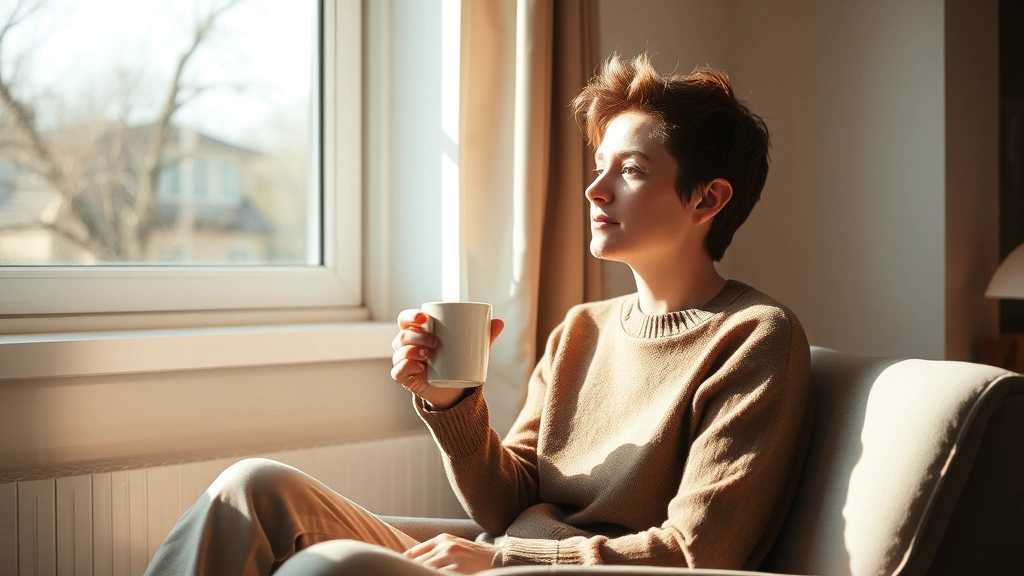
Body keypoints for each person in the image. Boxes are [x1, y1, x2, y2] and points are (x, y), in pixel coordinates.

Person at [144, 52, 813, 576]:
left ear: (707, 200)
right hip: (502, 560)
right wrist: (453, 402)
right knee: (254, 487)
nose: (594, 189)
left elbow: (696, 551)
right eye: (598, 165)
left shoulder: (755, 337)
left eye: (630, 170)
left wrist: (504, 559)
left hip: (534, 571)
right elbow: (506, 505)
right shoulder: (583, 329)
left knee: (330, 567)